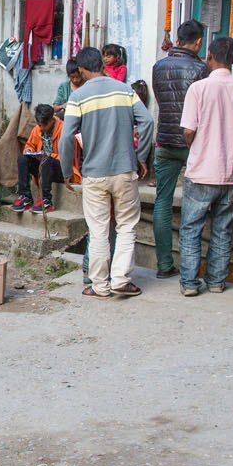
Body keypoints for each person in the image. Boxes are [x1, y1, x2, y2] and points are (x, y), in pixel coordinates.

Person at [60, 47, 155, 298]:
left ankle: (100, 286)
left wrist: (67, 170)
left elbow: (67, 136)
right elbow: (147, 122)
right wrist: (141, 156)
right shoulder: (126, 90)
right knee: (126, 226)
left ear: (81, 69)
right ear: (101, 64)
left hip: (94, 174)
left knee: (98, 230)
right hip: (125, 171)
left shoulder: (77, 97)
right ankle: (121, 278)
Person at [176, 36, 233, 296]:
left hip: (201, 170)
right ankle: (216, 282)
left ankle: (189, 283)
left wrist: (197, 144)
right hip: (232, 172)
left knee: (191, 229)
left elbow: (188, 130)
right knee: (223, 230)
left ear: (209, 55)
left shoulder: (198, 89)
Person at [150, 19, 209, 278]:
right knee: (193, 204)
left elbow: (161, 101)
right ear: (197, 42)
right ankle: (189, 270)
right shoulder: (200, 68)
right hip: (192, 143)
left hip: (164, 141)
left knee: (162, 202)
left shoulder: (158, 66)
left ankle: (164, 265)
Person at [12, 104, 71, 213]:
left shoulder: (64, 129)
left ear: (51, 120)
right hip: (42, 166)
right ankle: (26, 197)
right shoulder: (37, 128)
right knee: (22, 159)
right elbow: (30, 144)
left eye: (44, 125)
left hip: (60, 169)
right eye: (39, 125)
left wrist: (48, 155)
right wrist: (28, 150)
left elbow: (67, 157)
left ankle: (46, 200)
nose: (41, 128)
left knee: (46, 160)